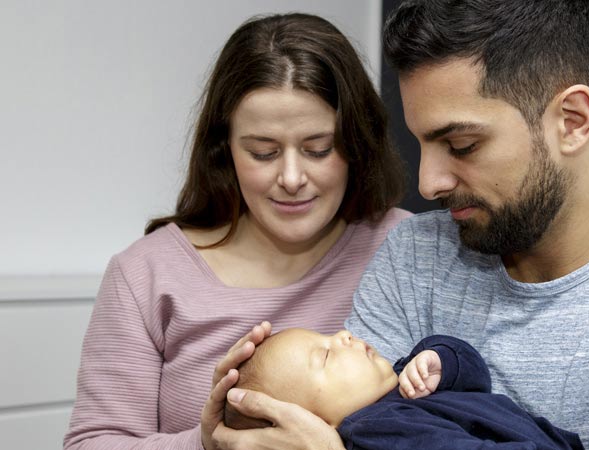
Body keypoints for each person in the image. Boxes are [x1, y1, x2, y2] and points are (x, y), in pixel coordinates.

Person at [218, 1, 589, 449]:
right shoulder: (414, 257)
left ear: (572, 121)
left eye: (461, 145)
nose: (427, 183)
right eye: (421, 143)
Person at [63, 12, 410, 450]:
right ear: (225, 149)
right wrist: (206, 443)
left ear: (357, 142)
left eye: (318, 149)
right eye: (263, 153)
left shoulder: (406, 250)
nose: (291, 177)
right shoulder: (145, 275)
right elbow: (90, 443)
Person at [225, 328, 584, 450]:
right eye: (325, 356)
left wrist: (441, 359)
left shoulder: (401, 377)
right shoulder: (378, 430)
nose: (343, 336)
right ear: (312, 424)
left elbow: (477, 380)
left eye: (328, 334)